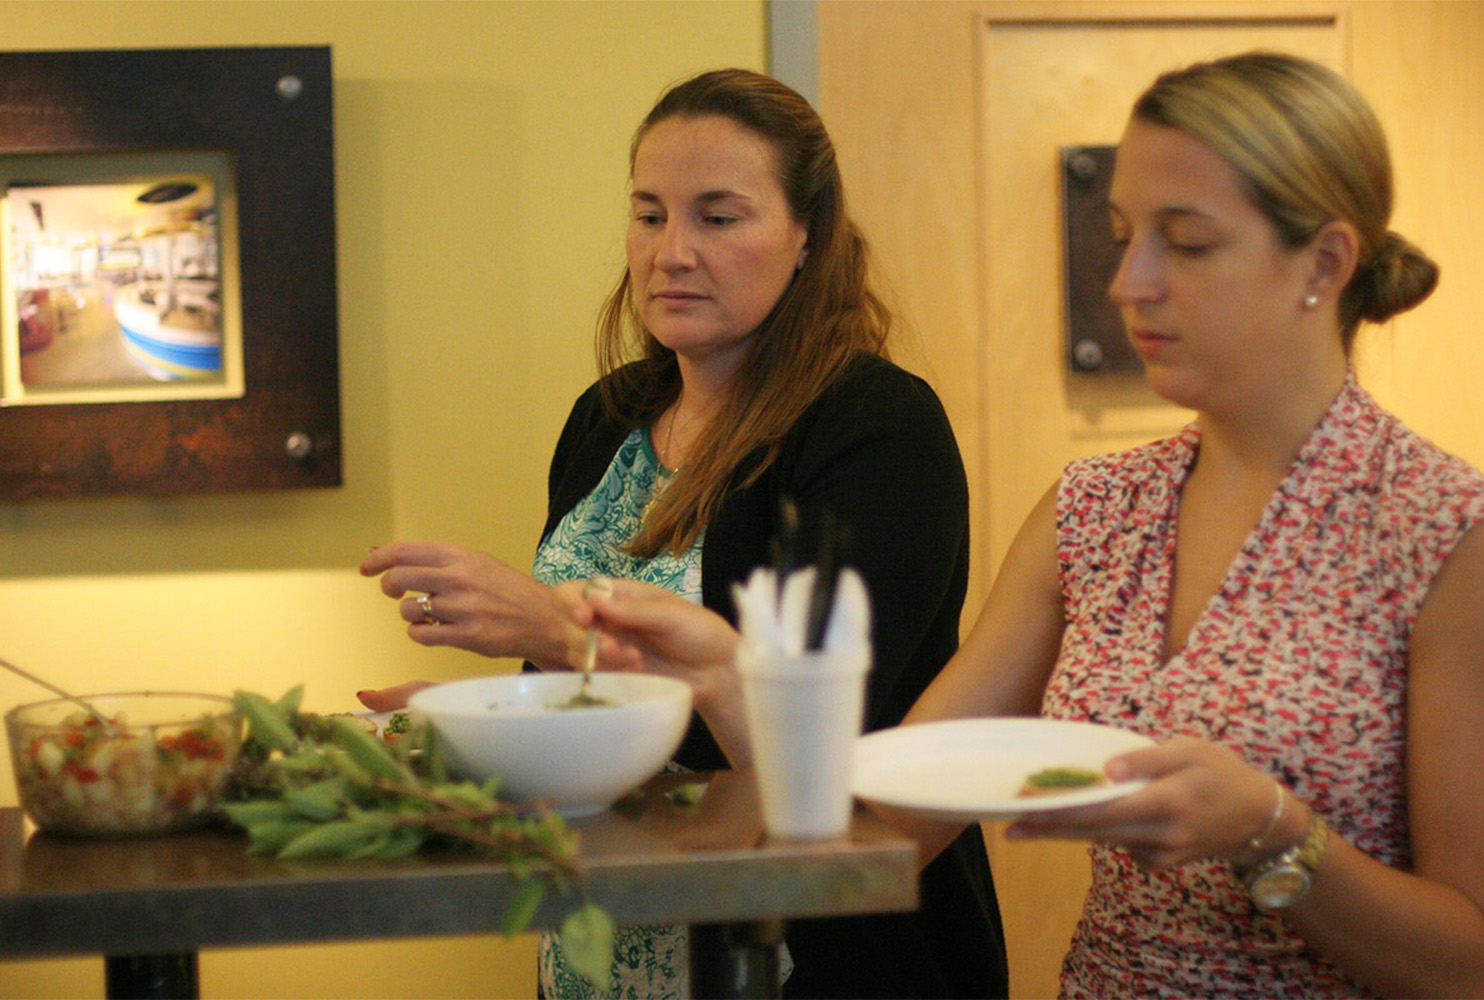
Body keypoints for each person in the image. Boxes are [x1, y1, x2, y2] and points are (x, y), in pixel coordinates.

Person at [572, 53, 1484, 998]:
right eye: (1124, 235)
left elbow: (1479, 961)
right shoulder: (1096, 511)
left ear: (1326, 262)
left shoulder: (1443, 535)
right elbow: (880, 832)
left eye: (1185, 243)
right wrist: (729, 674)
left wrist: (1273, 832)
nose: (1129, 283)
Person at [359, 68, 1007, 999]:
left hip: (815, 954)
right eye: (650, 214)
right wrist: (477, 737)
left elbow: (825, 747)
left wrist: (550, 625)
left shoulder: (875, 425)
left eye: (718, 216)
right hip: (606, 946)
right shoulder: (610, 414)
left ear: (805, 239)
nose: (672, 252)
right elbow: (584, 709)